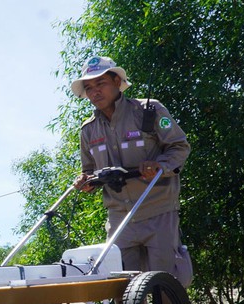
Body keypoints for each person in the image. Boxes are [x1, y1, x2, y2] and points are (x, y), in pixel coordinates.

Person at [71, 56, 191, 282]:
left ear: (117, 81)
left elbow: (180, 147)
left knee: (165, 285)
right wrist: (86, 182)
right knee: (123, 290)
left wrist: (160, 167)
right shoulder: (88, 130)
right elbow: (88, 171)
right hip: (119, 218)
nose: (95, 92)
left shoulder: (148, 111)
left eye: (101, 84)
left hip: (158, 212)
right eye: (88, 88)